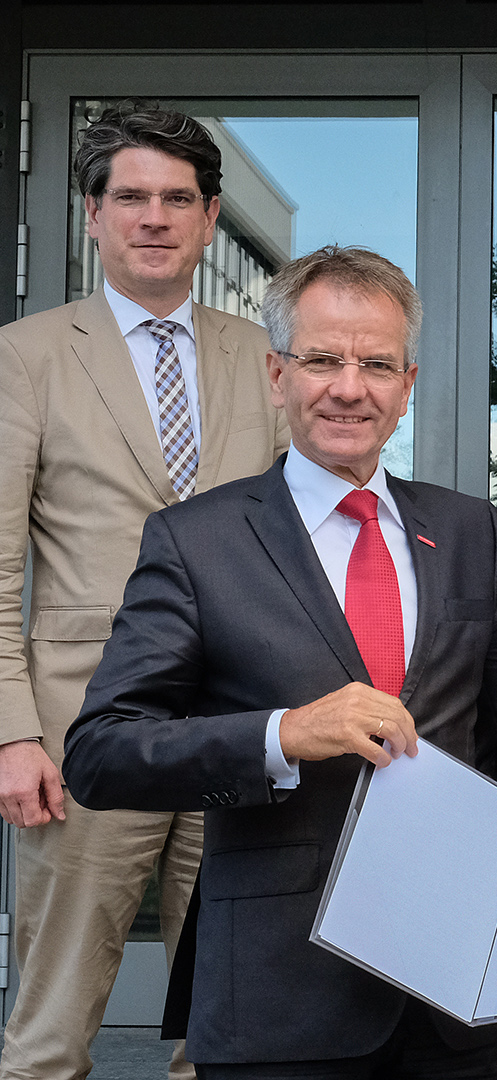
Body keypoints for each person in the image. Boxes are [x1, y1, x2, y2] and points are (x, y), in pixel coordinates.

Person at [62, 245, 497, 1079]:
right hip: (281, 996)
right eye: (322, 360)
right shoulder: (197, 540)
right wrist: (284, 735)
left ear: (408, 383)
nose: (349, 388)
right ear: (277, 373)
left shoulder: (467, 529)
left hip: (449, 989)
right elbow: (100, 753)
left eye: (376, 365)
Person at [0, 103, 288, 1080]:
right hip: (84, 728)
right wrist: (11, 732)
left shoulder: (264, 359)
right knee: (50, 1032)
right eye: (130, 197)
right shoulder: (26, 356)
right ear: (93, 216)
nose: (153, 217)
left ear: (211, 221)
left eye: (177, 199)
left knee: (229, 1027)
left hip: (242, 726)